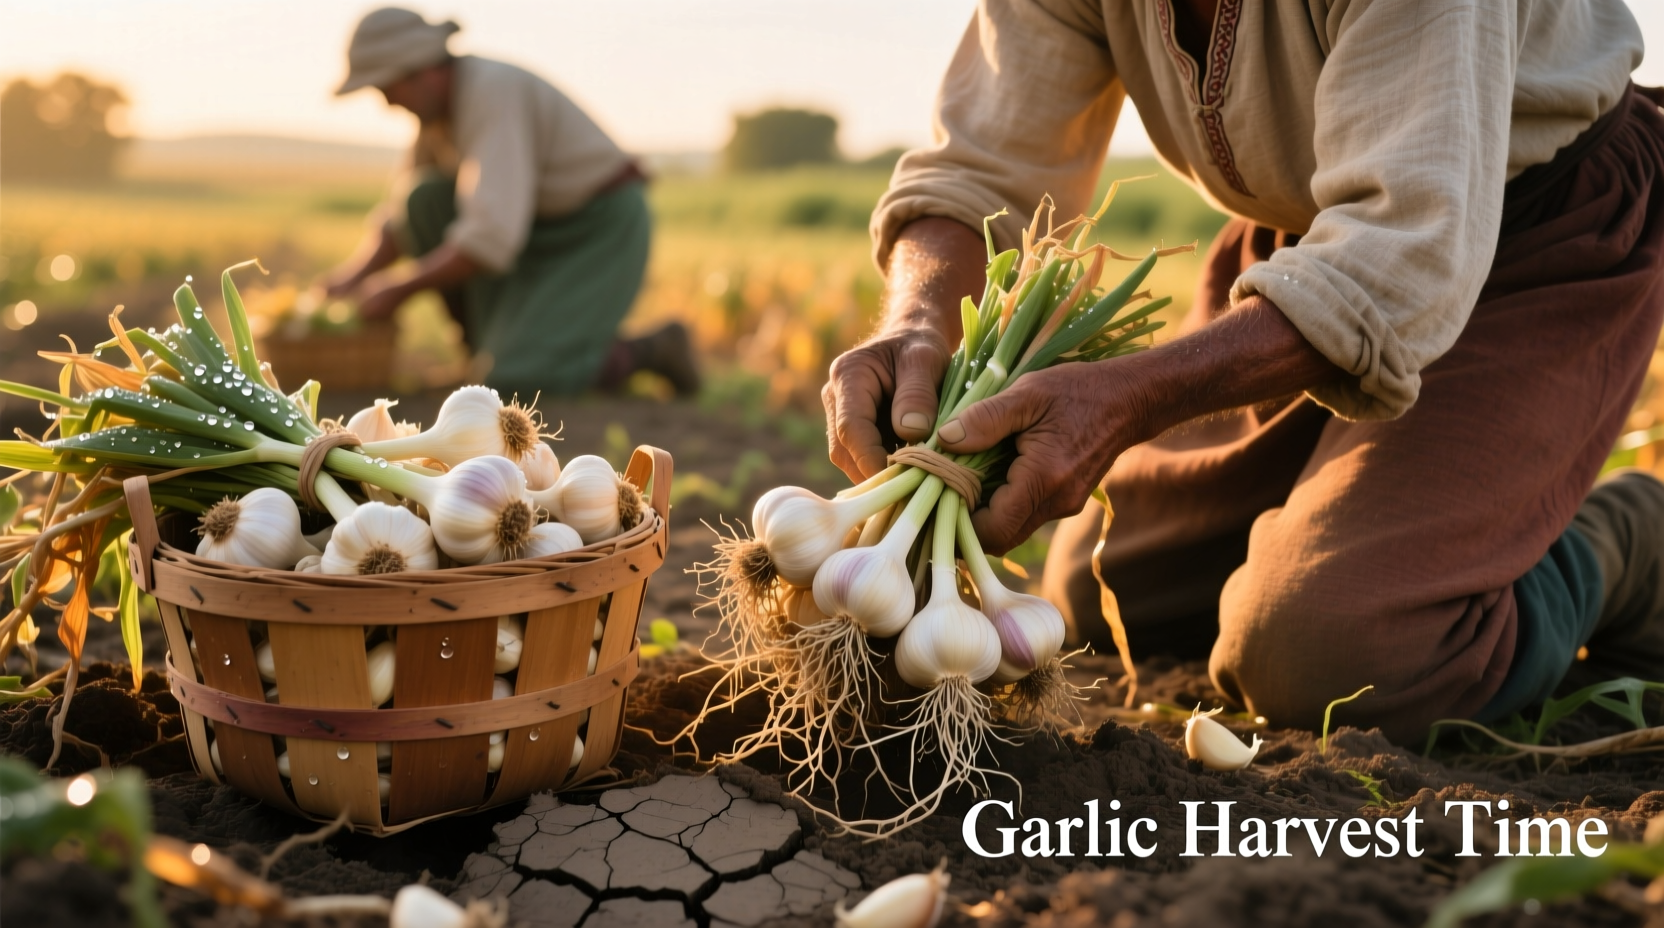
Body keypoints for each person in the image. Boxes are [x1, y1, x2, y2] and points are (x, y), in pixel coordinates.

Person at [822, 0, 1664, 742]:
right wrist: (917, 321)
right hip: (1307, 265)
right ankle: (1366, 515)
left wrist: (1131, 398)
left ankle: (1631, 543)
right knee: (1102, 591)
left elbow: (1399, 252)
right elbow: (979, 175)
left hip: (1532, 238)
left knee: (1330, 656)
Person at [322, 8, 699, 397]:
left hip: (598, 229)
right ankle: (486, 355)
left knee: (518, 379)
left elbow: (490, 239)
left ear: (422, 70)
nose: (387, 104)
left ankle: (650, 350)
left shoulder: (492, 93)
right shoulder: (436, 118)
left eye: (387, 89)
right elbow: (401, 218)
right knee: (423, 199)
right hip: (531, 229)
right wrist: (351, 279)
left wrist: (399, 289)